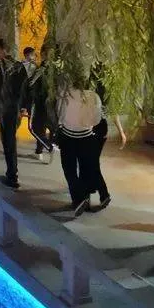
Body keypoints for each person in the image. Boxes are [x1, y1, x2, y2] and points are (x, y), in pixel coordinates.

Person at [56, 76, 102, 217]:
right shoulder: (94, 96)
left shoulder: (65, 95)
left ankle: (78, 199)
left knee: (69, 170)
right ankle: (86, 200)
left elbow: (60, 114)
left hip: (68, 136)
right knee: (85, 169)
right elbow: (97, 119)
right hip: (87, 136)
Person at [89, 66, 125, 210]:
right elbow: (114, 113)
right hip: (101, 127)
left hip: (92, 127)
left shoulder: (92, 92)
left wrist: (121, 132)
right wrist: (121, 132)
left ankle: (104, 194)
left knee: (91, 162)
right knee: (92, 160)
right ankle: (93, 187)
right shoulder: (107, 93)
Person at [0, 38, 23, 189]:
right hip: (9, 109)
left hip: (8, 110)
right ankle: (11, 173)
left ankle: (12, 177)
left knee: (9, 142)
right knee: (8, 142)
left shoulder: (10, 67)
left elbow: (19, 89)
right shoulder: (12, 66)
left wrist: (19, 107)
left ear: (3, 50)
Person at [26, 45, 54, 158]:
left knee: (36, 127)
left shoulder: (42, 68)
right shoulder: (52, 68)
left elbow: (33, 85)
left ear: (42, 54)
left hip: (41, 102)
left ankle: (47, 146)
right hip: (50, 102)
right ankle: (41, 149)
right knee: (44, 126)